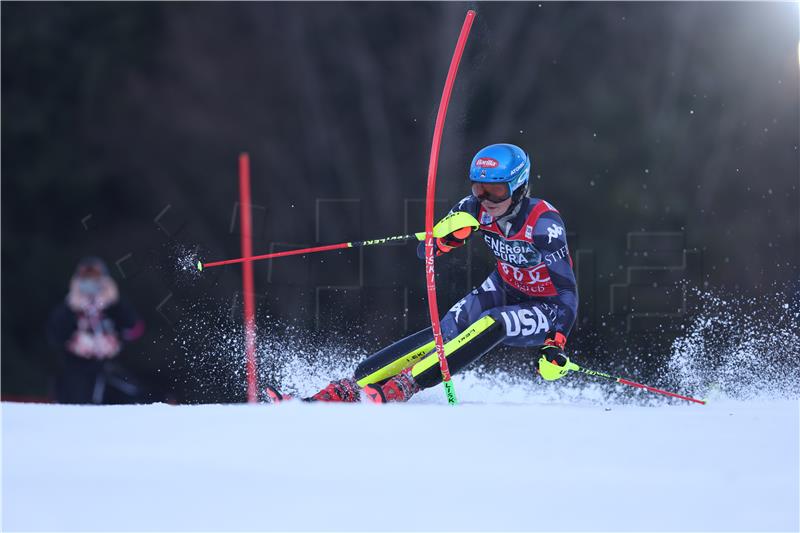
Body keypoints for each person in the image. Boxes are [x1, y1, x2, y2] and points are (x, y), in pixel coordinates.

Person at [267, 143, 578, 403]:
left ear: (519, 187)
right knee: (447, 331)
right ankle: (345, 388)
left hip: (546, 306)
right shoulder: (473, 207)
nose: (485, 199)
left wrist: (555, 343)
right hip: (504, 286)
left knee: (493, 322)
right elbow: (423, 252)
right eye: (479, 188)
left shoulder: (544, 225)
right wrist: (444, 239)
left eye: (495, 190)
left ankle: (406, 385)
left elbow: (567, 293)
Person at [46, 257, 145, 403]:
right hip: (75, 377)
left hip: (109, 374)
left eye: (96, 279)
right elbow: (55, 335)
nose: (91, 284)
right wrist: (72, 306)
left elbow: (135, 329)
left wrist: (114, 302)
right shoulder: (69, 308)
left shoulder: (114, 307)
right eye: (86, 279)